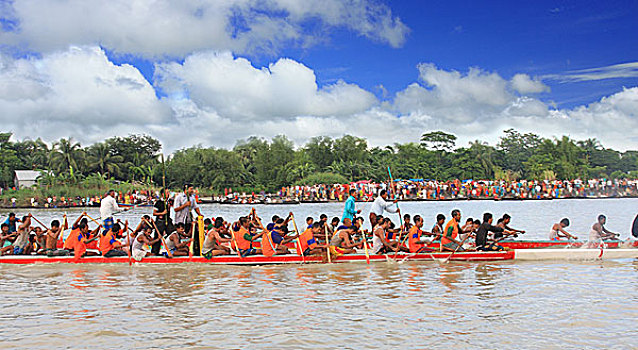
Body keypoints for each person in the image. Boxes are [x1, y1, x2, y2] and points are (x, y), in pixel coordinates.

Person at [173, 184, 203, 255]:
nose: (192, 190)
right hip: (180, 220)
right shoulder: (179, 197)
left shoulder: (192, 198)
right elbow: (176, 209)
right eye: (191, 189)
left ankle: (195, 251)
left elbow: (196, 207)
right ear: (186, 190)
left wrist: (200, 214)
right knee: (181, 236)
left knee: (192, 234)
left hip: (188, 219)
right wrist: (185, 205)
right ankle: (180, 251)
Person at [152, 189, 173, 255]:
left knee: (172, 233)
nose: (168, 194)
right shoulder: (158, 203)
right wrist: (162, 213)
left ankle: (170, 249)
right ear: (163, 194)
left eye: (168, 192)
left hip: (168, 221)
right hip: (160, 222)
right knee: (158, 236)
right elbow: (154, 213)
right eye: (166, 193)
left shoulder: (169, 202)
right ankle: (155, 252)